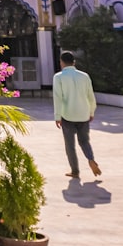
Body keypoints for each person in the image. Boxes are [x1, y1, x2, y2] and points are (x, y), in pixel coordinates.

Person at [53, 51, 101, 179]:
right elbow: (91, 96)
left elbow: (58, 98)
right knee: (84, 141)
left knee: (70, 145)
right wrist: (91, 112)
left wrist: (57, 116)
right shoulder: (84, 76)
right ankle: (91, 159)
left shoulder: (58, 77)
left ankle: (75, 171)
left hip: (67, 115)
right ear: (74, 62)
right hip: (83, 114)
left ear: (61, 63)